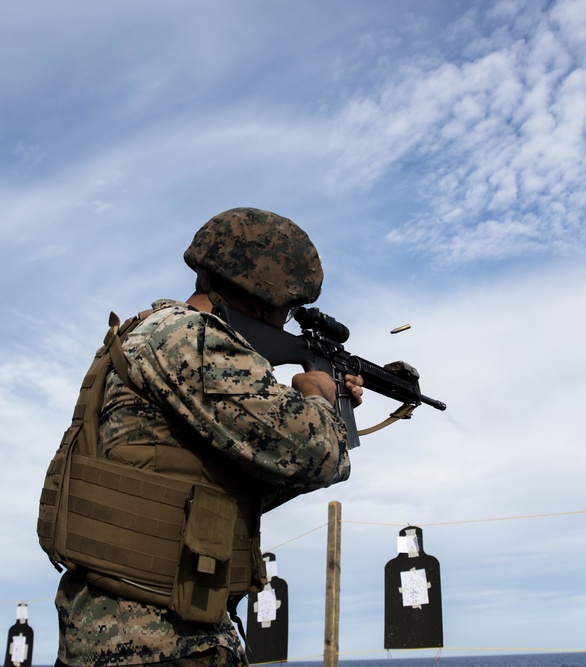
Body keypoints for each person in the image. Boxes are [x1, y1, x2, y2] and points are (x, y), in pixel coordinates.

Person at [46, 207, 362, 666]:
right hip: (162, 640)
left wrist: (323, 401)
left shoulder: (148, 333)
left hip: (118, 630)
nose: (285, 321)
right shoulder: (194, 340)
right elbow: (318, 454)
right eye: (287, 309)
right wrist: (317, 395)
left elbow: (215, 482)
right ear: (262, 298)